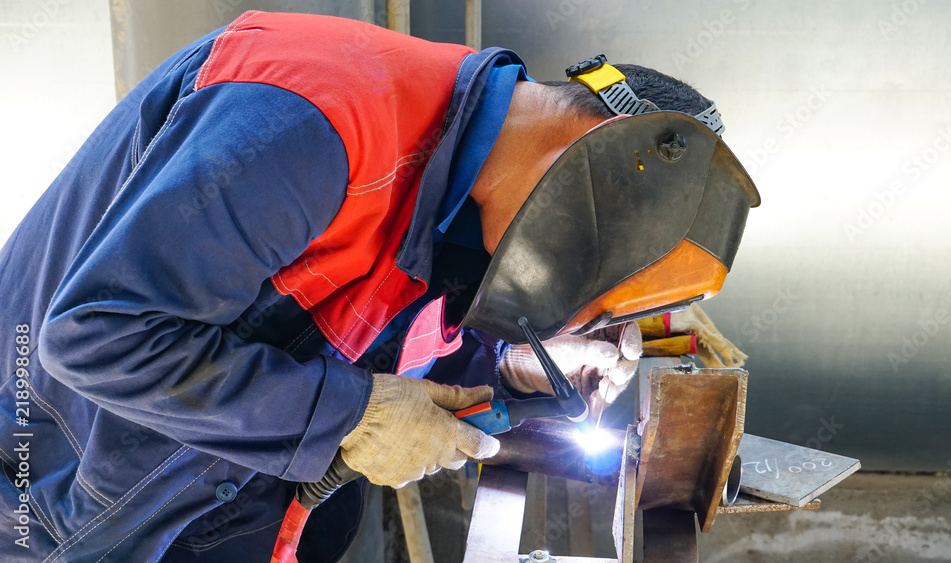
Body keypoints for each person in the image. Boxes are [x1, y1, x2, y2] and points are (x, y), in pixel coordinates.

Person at [0, 11, 757, 562]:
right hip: (53, 495)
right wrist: (351, 416)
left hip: (214, 500)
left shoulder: (466, 190)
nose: (572, 315)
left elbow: (383, 334)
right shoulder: (318, 124)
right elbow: (96, 332)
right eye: (591, 289)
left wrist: (508, 366)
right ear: (587, 161)